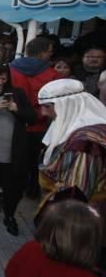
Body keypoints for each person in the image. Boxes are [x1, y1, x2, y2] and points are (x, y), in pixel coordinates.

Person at [0, 64, 37, 236]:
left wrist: (16, 109)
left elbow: (32, 117)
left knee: (12, 185)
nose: (0, 82)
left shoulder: (17, 94)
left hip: (11, 151)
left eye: (3, 78)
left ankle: (9, 215)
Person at [35, 78, 106, 214]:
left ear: (67, 105)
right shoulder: (83, 127)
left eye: (48, 106)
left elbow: (76, 193)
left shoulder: (86, 143)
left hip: (80, 219)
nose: (43, 113)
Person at [10, 37, 58, 197]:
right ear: (43, 53)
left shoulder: (11, 69)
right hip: (41, 125)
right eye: (50, 52)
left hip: (15, 122)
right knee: (36, 161)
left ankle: (16, 188)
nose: (51, 55)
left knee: (16, 160)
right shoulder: (53, 75)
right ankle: (33, 189)